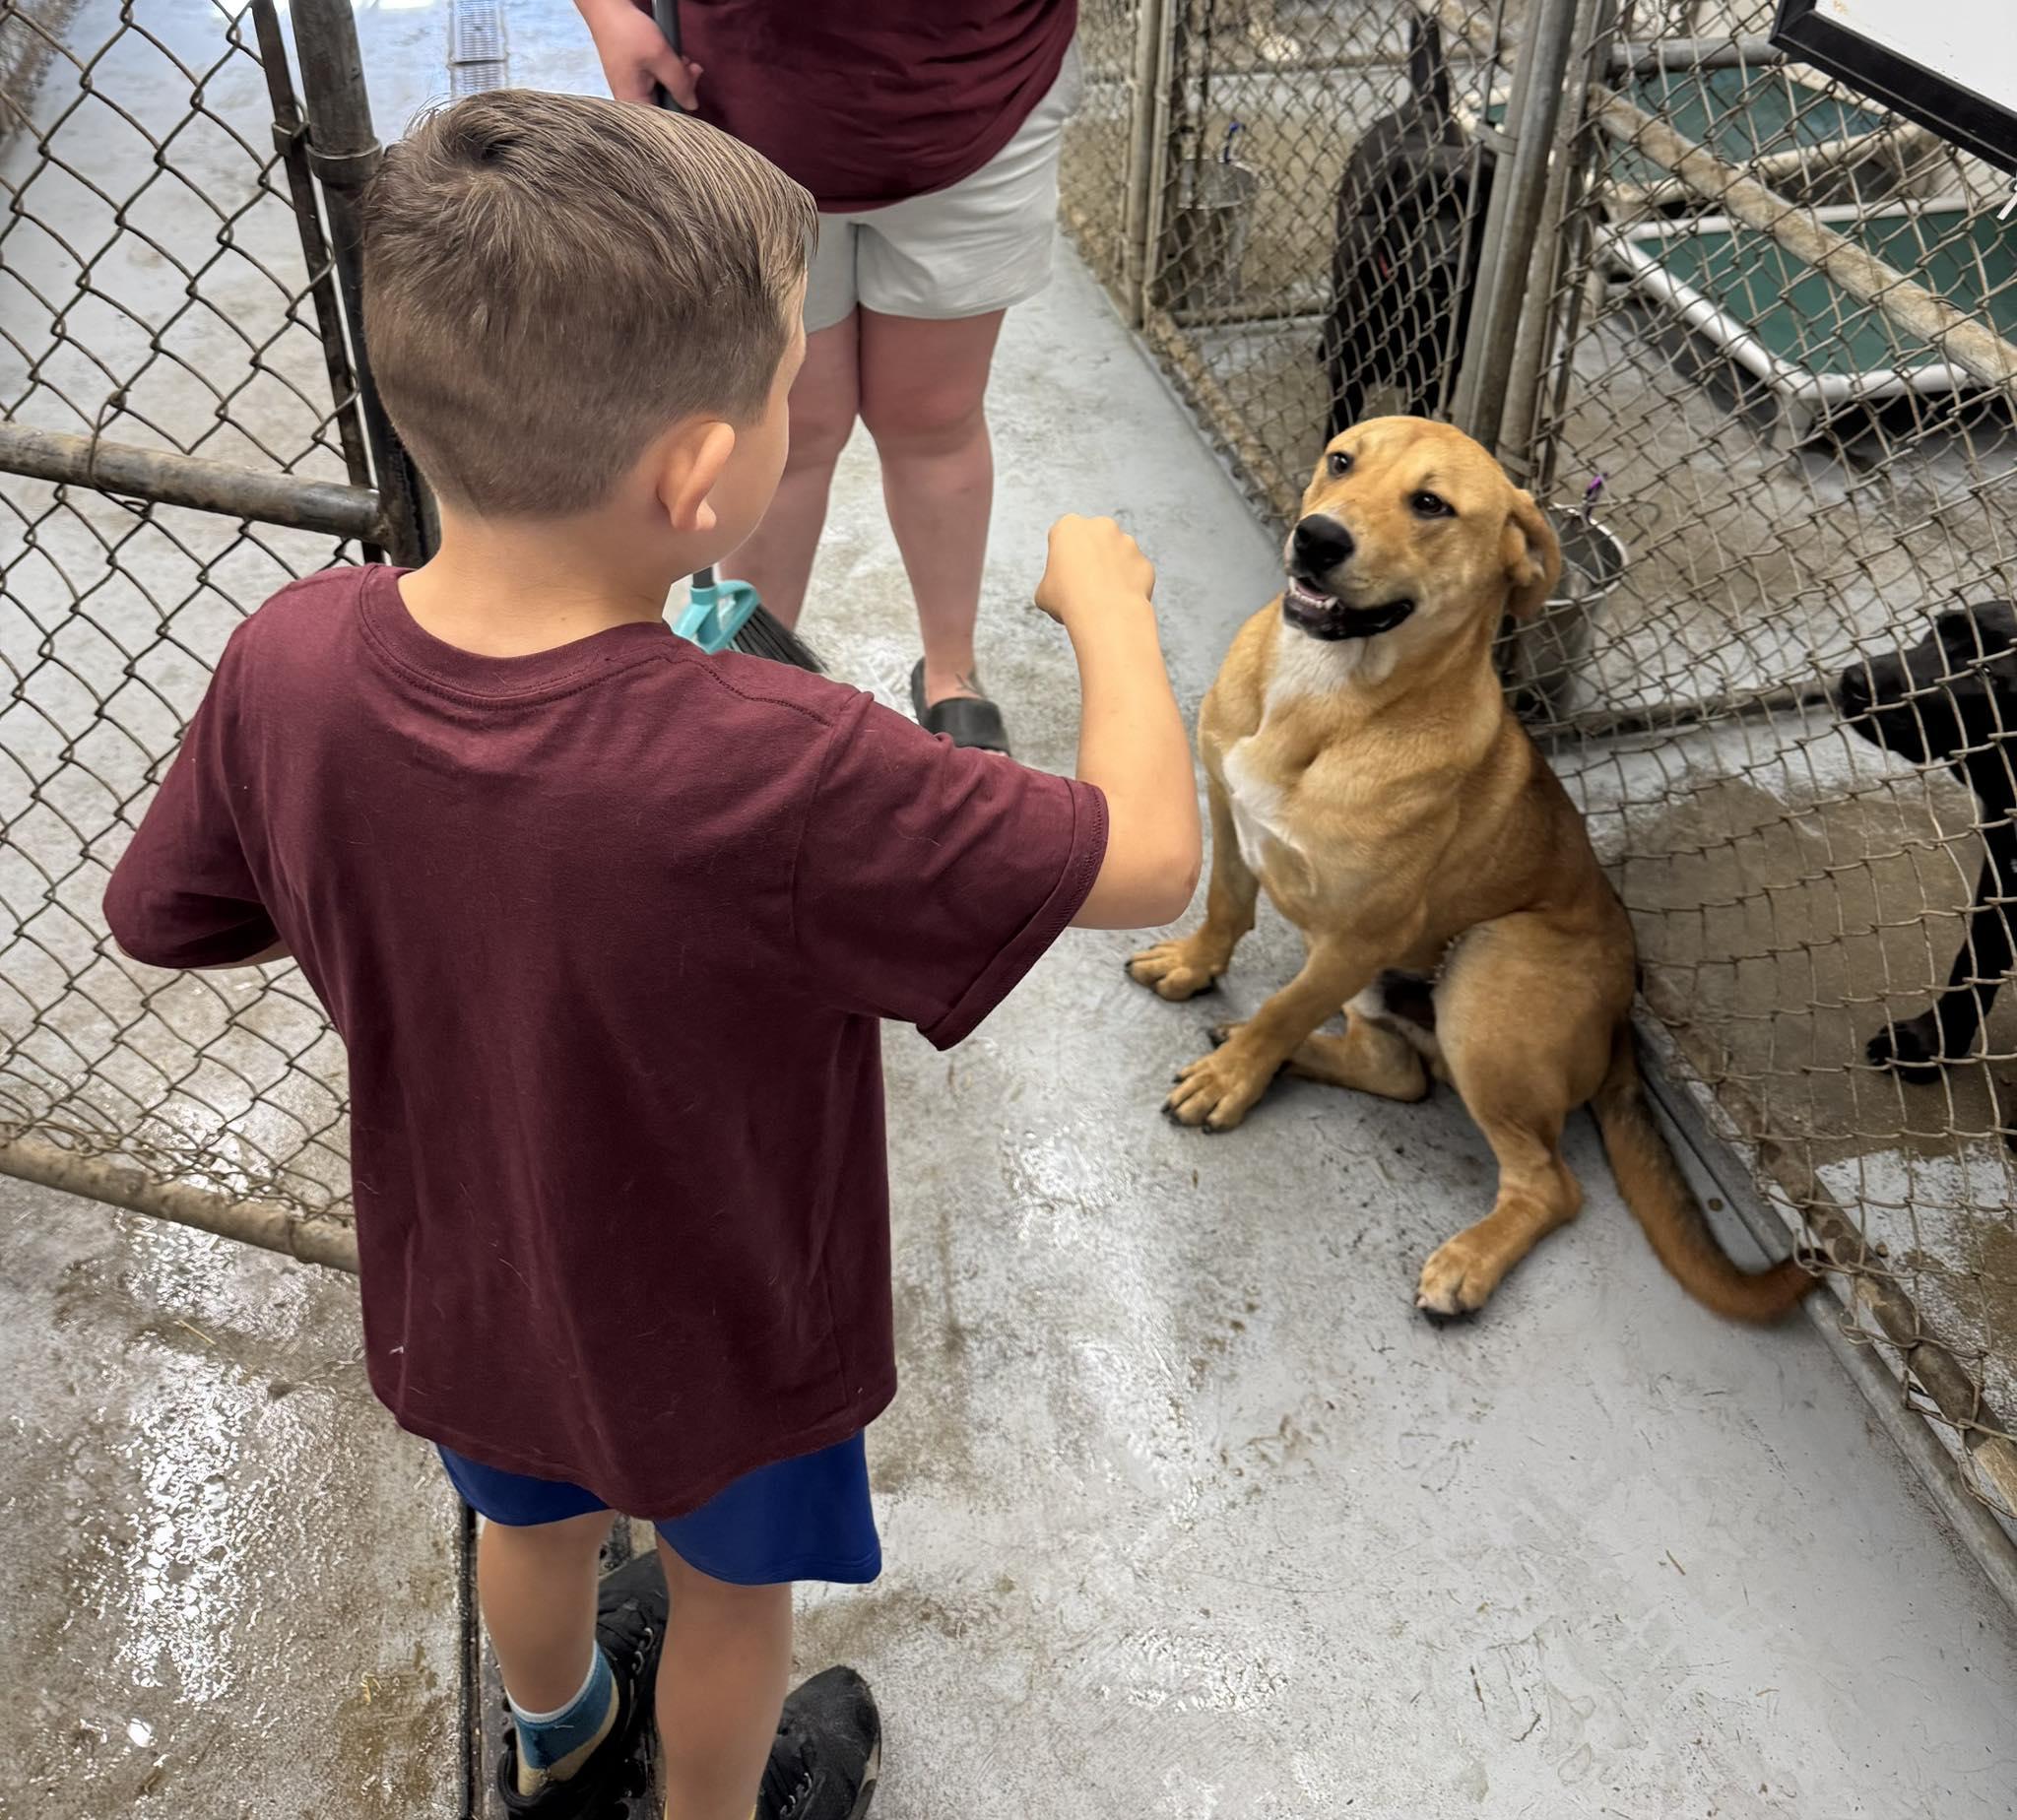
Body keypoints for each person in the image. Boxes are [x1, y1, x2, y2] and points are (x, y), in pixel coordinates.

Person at [101, 92, 1198, 1820]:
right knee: (730, 1598)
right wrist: (1112, 609)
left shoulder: (288, 658)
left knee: (523, 1524)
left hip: (472, 1267)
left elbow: (164, 911)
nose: (789, 415)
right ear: (697, 477)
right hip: (728, 1321)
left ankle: (555, 1739)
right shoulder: (781, 760)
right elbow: (1143, 858)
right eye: (782, 393)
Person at [574, 0, 1082, 756]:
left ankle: (951, 675)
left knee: (935, 420)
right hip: (735, 112)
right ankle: (751, 689)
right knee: (786, 430)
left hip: (979, 102)